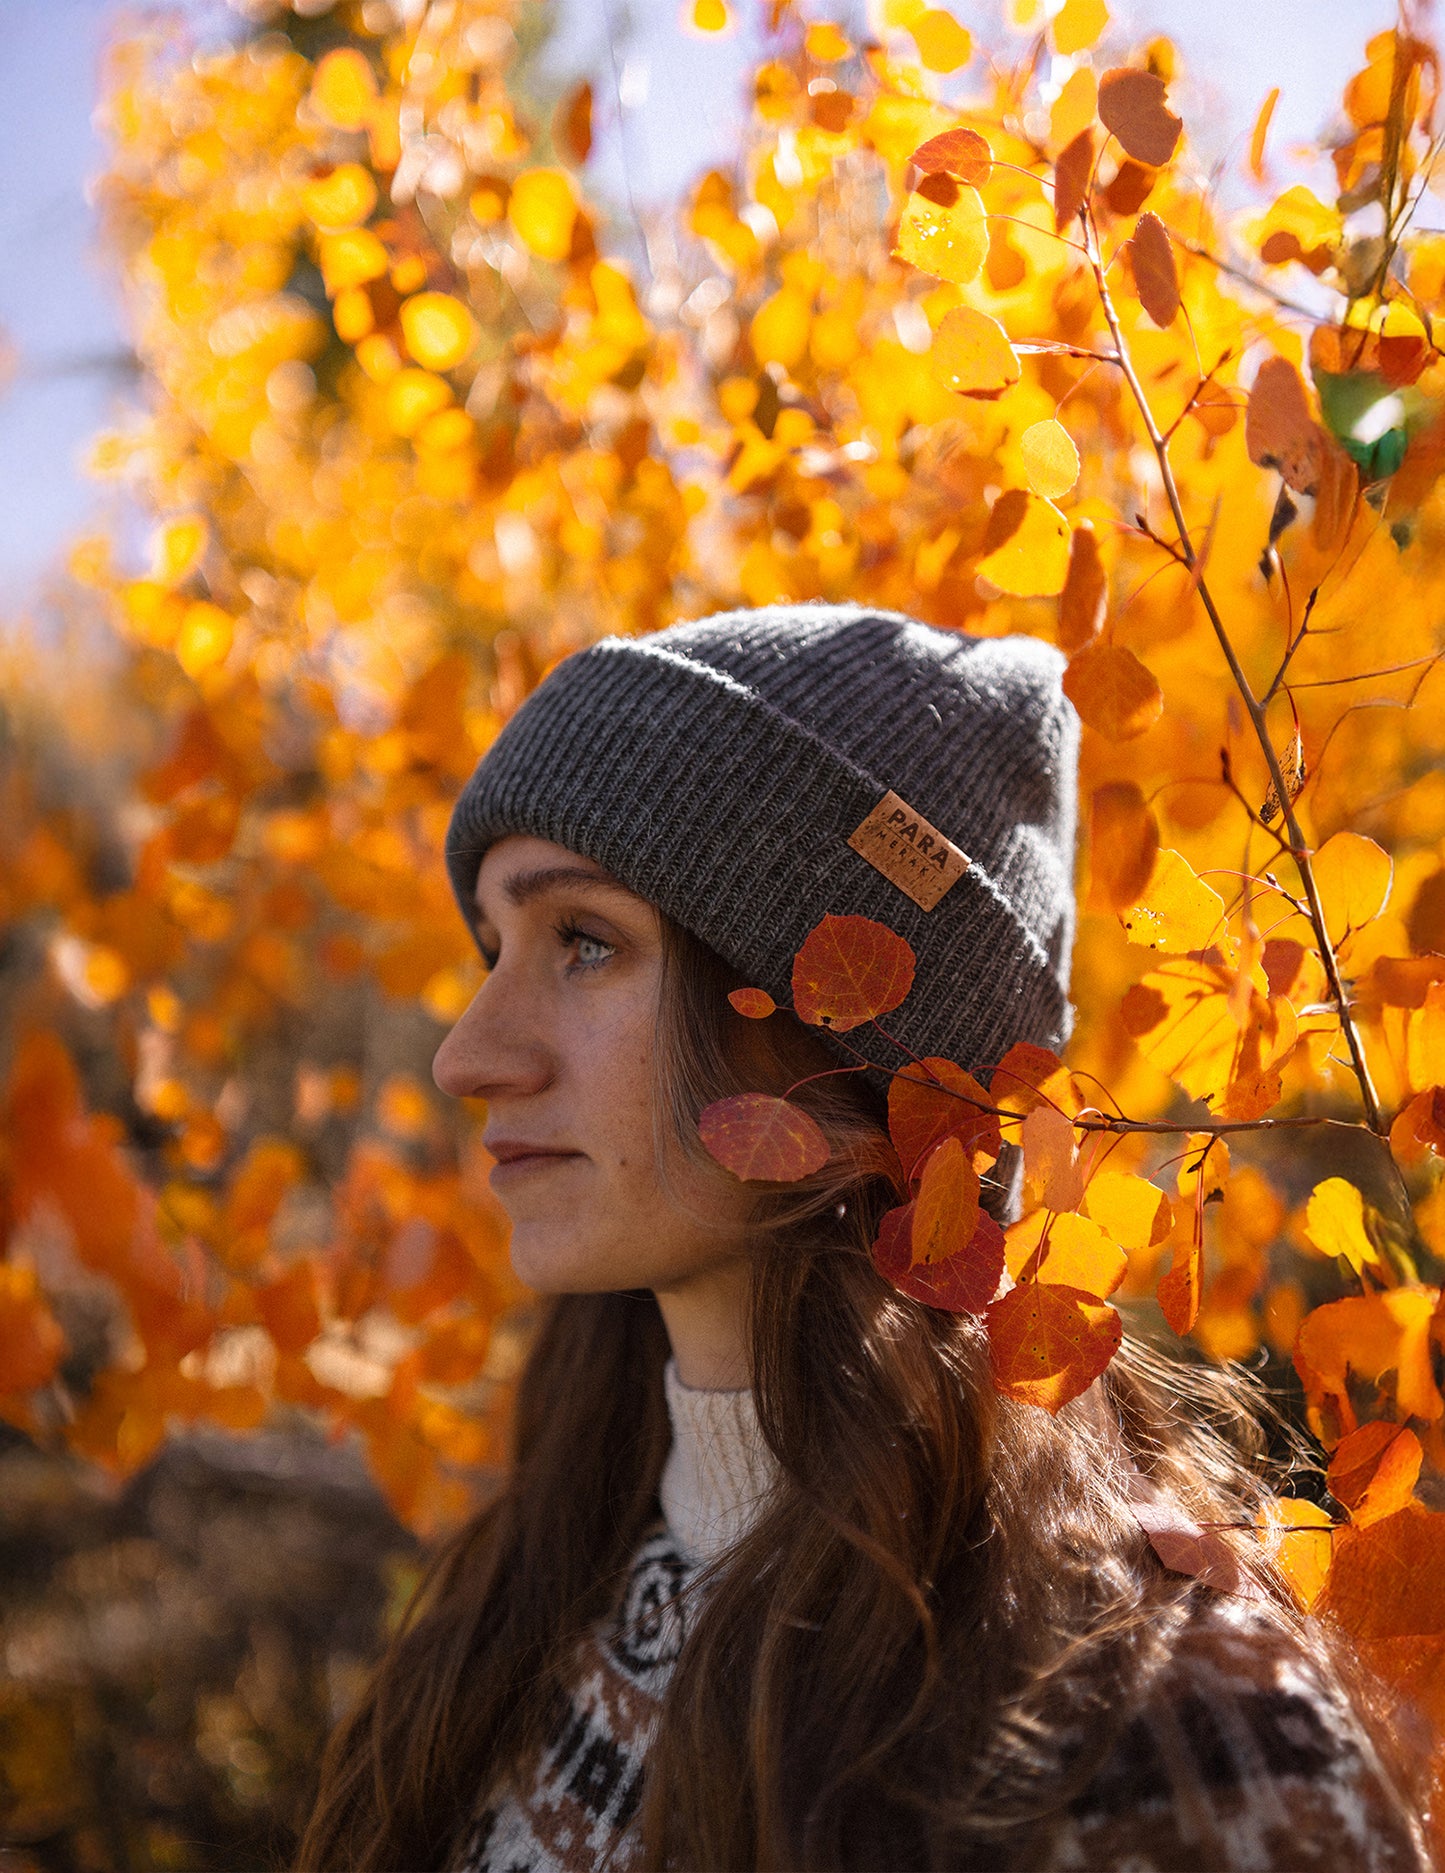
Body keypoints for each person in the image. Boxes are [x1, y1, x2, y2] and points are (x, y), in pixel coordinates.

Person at [297, 604, 1430, 1873]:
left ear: (841, 1035)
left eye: (583, 941)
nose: (465, 1055)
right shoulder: (531, 1593)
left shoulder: (1170, 1729)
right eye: (494, 946)